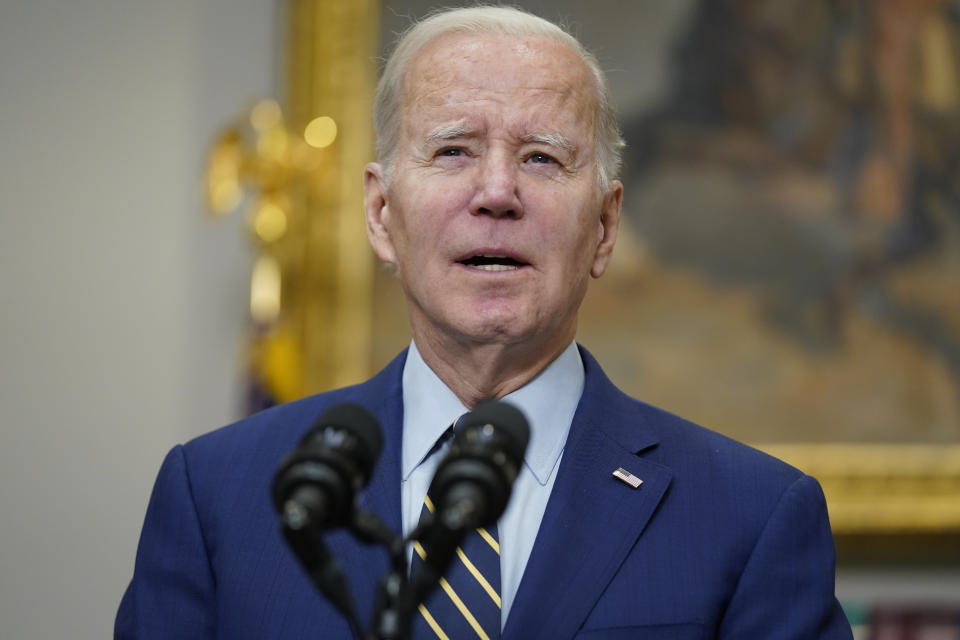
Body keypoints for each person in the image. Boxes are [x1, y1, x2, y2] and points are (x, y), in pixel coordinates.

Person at [116, 7, 853, 639]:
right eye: (453, 150)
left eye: (541, 158)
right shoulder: (218, 493)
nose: (497, 192)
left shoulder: (752, 516)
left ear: (603, 227)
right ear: (380, 214)